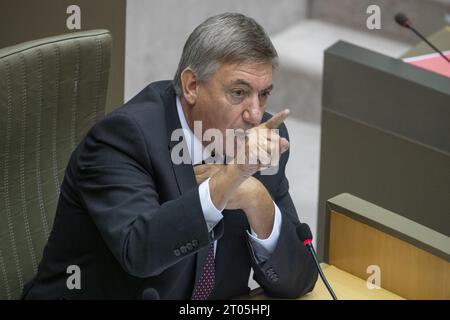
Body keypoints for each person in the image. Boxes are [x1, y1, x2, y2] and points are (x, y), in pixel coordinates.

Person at [22, 12, 318, 300]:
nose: (255, 114)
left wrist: (258, 200)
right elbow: (140, 253)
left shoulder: (262, 141)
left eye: (264, 94)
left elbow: (299, 280)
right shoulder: (124, 138)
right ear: (191, 86)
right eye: (239, 93)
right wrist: (227, 182)